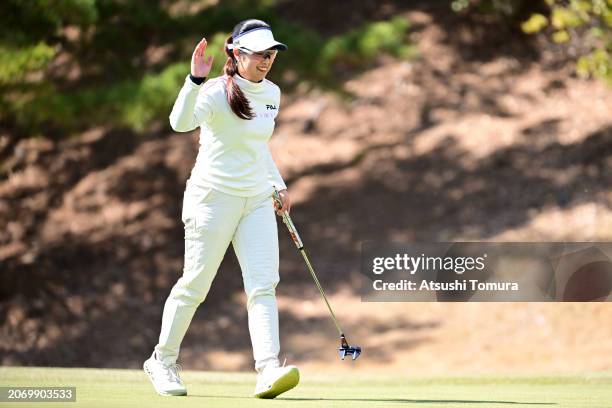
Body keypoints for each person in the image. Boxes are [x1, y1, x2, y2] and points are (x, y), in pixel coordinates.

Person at [143, 19, 298, 399]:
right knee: (195, 285)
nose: (267, 60)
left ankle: (267, 370)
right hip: (212, 199)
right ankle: (162, 361)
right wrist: (194, 80)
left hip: (256, 199)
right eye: (260, 53)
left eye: (271, 53)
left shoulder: (273, 93)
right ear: (238, 53)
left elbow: (256, 146)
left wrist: (276, 183)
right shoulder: (214, 92)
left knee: (263, 286)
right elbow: (179, 124)